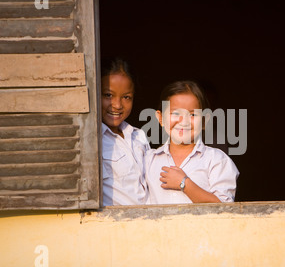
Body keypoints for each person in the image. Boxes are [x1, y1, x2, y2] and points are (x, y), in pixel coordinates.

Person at [145, 80, 239, 204]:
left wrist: (184, 183)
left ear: (205, 120)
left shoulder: (217, 160)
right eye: (175, 113)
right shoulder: (148, 160)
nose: (184, 121)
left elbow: (225, 209)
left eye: (193, 115)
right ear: (160, 118)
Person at [101, 57, 150, 206]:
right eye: (108, 95)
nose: (117, 105)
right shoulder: (93, 140)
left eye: (126, 97)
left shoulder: (138, 136)